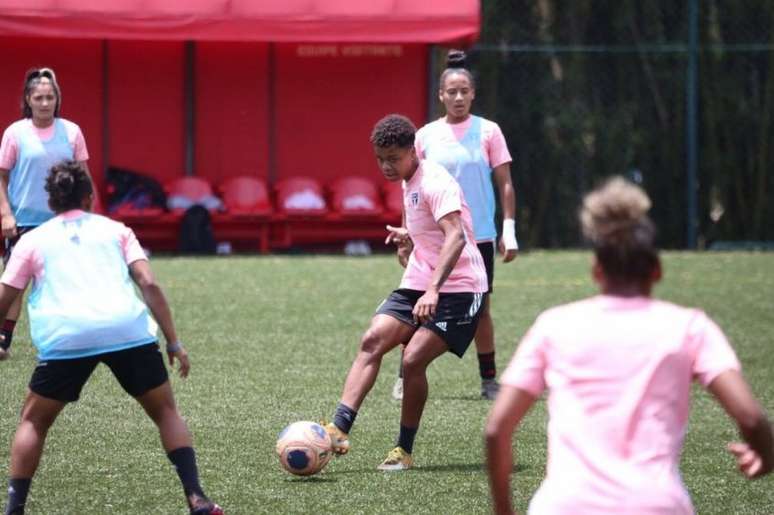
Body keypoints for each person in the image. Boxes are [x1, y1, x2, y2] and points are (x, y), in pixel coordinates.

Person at [485, 177, 773, 514]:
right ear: (657, 271)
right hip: (655, 505)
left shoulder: (555, 325)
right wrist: (766, 454)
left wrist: (504, 509)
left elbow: (496, 429)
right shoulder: (690, 327)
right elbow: (751, 418)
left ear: (596, 271)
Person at [0, 161, 222, 515]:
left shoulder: (33, 240)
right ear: (89, 196)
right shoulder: (117, 230)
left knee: (33, 421)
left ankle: (14, 510)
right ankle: (197, 498)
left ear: (51, 200)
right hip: (128, 331)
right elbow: (148, 283)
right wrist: (174, 342)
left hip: (67, 336)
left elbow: (6, 295)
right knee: (166, 413)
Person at [324, 114, 488, 471]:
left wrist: (433, 290)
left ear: (412, 152)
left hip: (460, 288)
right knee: (372, 340)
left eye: (393, 159)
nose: (386, 166)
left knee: (412, 359)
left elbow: (456, 236)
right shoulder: (406, 179)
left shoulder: (435, 180)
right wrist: (407, 239)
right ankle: (339, 428)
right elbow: (423, 227)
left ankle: (404, 450)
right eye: (380, 159)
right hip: (420, 280)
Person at [392, 49, 517, 402]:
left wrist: (508, 231)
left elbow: (505, 181)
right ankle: (404, 374)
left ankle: (489, 379)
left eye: (465, 91)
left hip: (479, 237)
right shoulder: (425, 136)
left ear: (473, 93)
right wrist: (408, 235)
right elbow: (409, 186)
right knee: (415, 303)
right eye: (452, 91)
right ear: (441, 95)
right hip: (433, 238)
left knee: (483, 308)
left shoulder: (489, 131)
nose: (458, 97)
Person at [0, 67, 91, 360]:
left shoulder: (72, 132)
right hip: (23, 222)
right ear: (28, 99)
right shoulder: (15, 133)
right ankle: (4, 339)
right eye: (38, 97)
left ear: (57, 99)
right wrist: (5, 214)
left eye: (49, 97)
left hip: (64, 222)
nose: (44, 102)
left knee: (62, 282)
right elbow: (1, 177)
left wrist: (88, 216)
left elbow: (84, 178)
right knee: (14, 283)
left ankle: (63, 340)